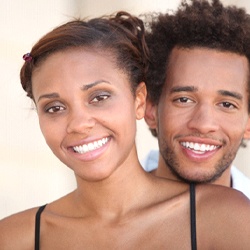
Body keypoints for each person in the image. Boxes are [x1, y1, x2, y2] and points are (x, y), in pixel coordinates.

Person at [0, 11, 250, 250]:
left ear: (139, 101)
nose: (78, 124)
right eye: (54, 108)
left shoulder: (225, 218)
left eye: (99, 97)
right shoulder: (15, 238)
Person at [143, 0, 250, 198]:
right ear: (150, 109)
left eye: (226, 104)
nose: (203, 124)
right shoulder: (99, 217)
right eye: (184, 100)